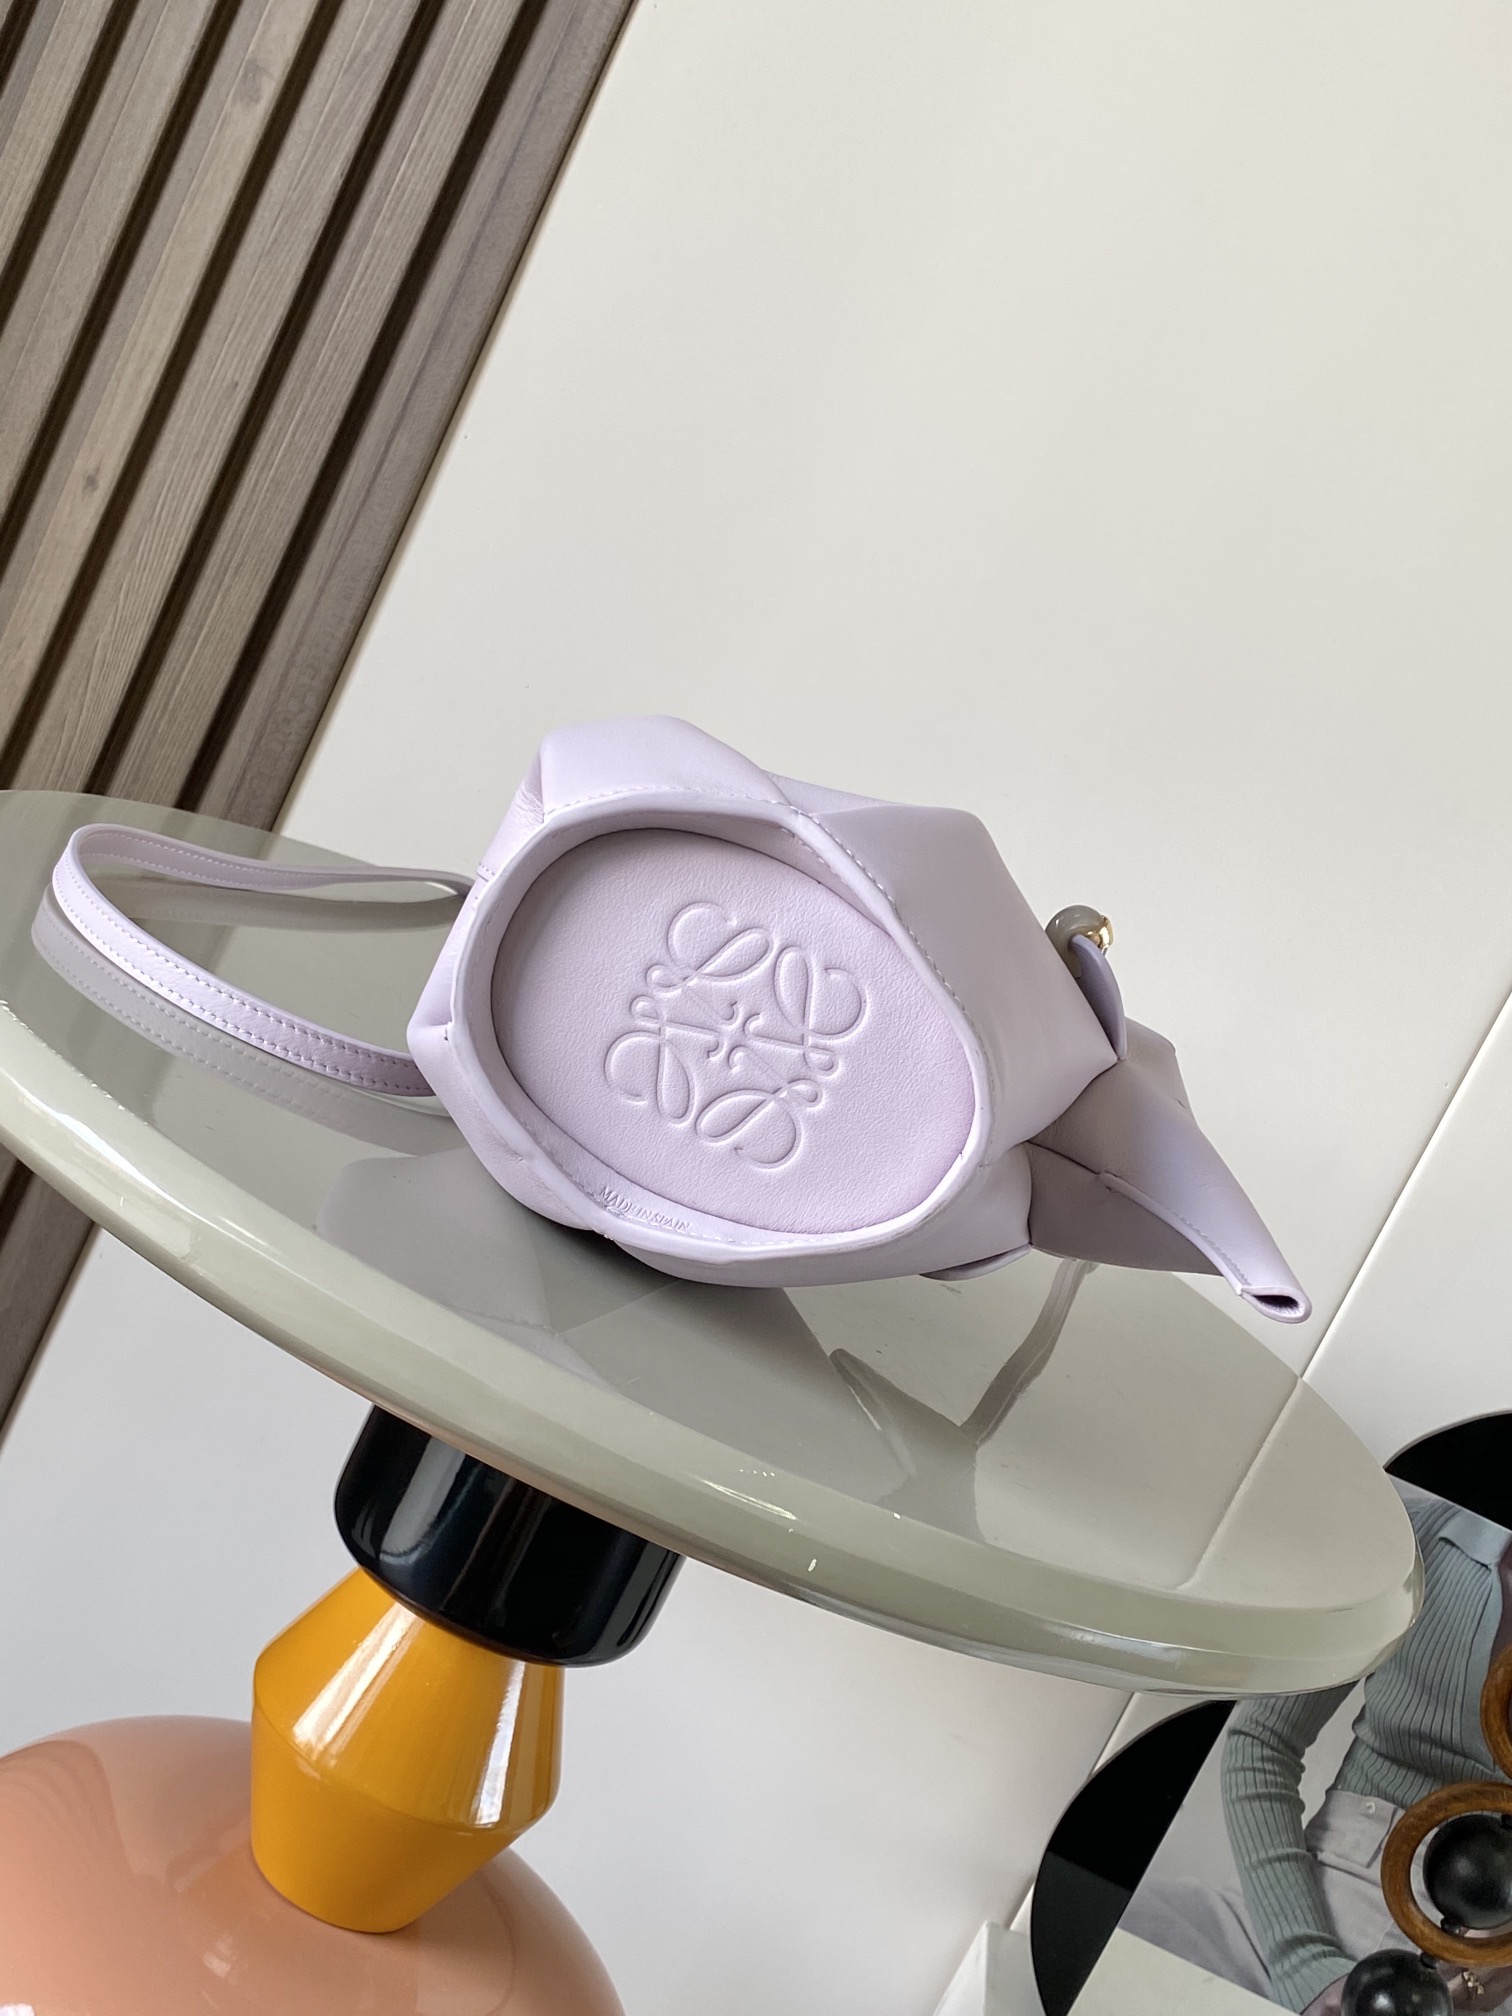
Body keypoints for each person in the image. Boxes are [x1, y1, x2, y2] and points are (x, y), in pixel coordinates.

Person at [1123, 1485, 1512, 2012]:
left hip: (1477, 1968)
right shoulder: (1409, 1539)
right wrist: (1302, 1961)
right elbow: (1262, 1742)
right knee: (1109, 1941)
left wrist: (1484, 1979)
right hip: (1307, 1903)